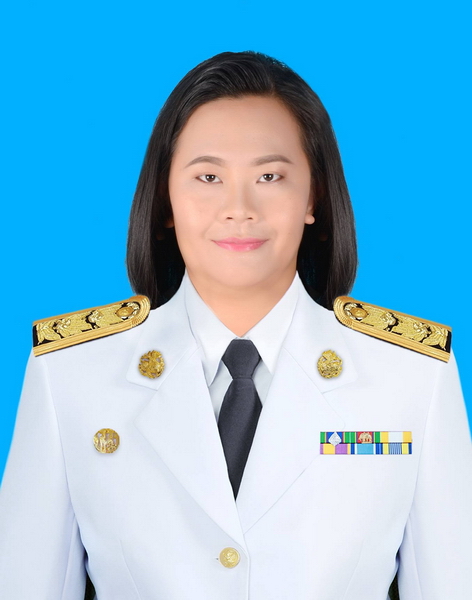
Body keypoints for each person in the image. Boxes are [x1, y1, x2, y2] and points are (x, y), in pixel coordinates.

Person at [0, 50, 471, 600]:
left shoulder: (411, 377)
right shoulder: (71, 374)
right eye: (208, 176)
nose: (239, 208)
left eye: (270, 176)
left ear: (313, 195)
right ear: (166, 199)